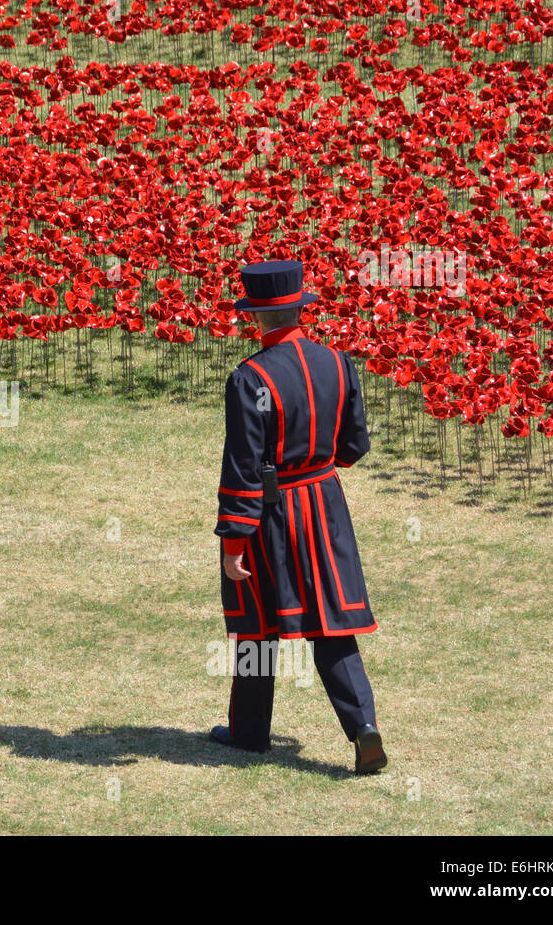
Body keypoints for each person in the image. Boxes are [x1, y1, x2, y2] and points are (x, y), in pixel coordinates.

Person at [209, 259, 387, 775]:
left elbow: (242, 466)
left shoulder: (249, 377)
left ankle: (248, 733)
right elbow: (355, 444)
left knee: (255, 624)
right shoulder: (338, 361)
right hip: (326, 502)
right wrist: (321, 464)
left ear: (256, 316)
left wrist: (234, 539)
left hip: (273, 512)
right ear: (298, 307)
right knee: (332, 624)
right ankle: (364, 729)